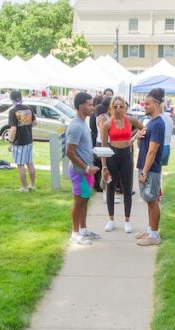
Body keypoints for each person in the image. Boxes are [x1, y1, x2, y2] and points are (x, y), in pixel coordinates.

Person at [99, 96, 145, 233]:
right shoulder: (107, 124)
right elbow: (103, 145)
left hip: (126, 155)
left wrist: (134, 137)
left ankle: (127, 220)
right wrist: (104, 166)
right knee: (110, 188)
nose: (118, 108)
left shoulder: (130, 119)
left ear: (124, 107)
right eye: (116, 106)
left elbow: (143, 128)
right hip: (112, 155)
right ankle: (111, 220)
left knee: (127, 188)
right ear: (111, 108)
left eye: (121, 106)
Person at [65, 92, 104, 246]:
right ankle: (75, 234)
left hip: (87, 172)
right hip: (79, 172)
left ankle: (84, 230)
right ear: (81, 106)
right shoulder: (75, 126)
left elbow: (81, 148)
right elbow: (69, 152)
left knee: (85, 200)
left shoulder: (83, 123)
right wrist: (86, 168)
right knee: (78, 202)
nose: (92, 107)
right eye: (89, 104)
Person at [135, 87, 167, 247]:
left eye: (147, 104)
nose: (144, 106)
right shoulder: (151, 122)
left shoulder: (158, 124)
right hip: (145, 167)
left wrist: (145, 172)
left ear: (155, 104)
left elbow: (152, 151)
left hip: (151, 169)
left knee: (152, 200)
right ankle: (149, 229)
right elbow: (144, 145)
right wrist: (139, 137)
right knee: (148, 200)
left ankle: (154, 235)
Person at [7, 90, 37, 191]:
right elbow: (35, 122)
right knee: (30, 163)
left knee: (20, 165)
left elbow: (13, 128)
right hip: (29, 139)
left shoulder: (12, 111)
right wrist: (27, 126)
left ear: (11, 99)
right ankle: (32, 185)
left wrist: (10, 142)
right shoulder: (28, 108)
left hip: (19, 141)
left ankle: (24, 187)